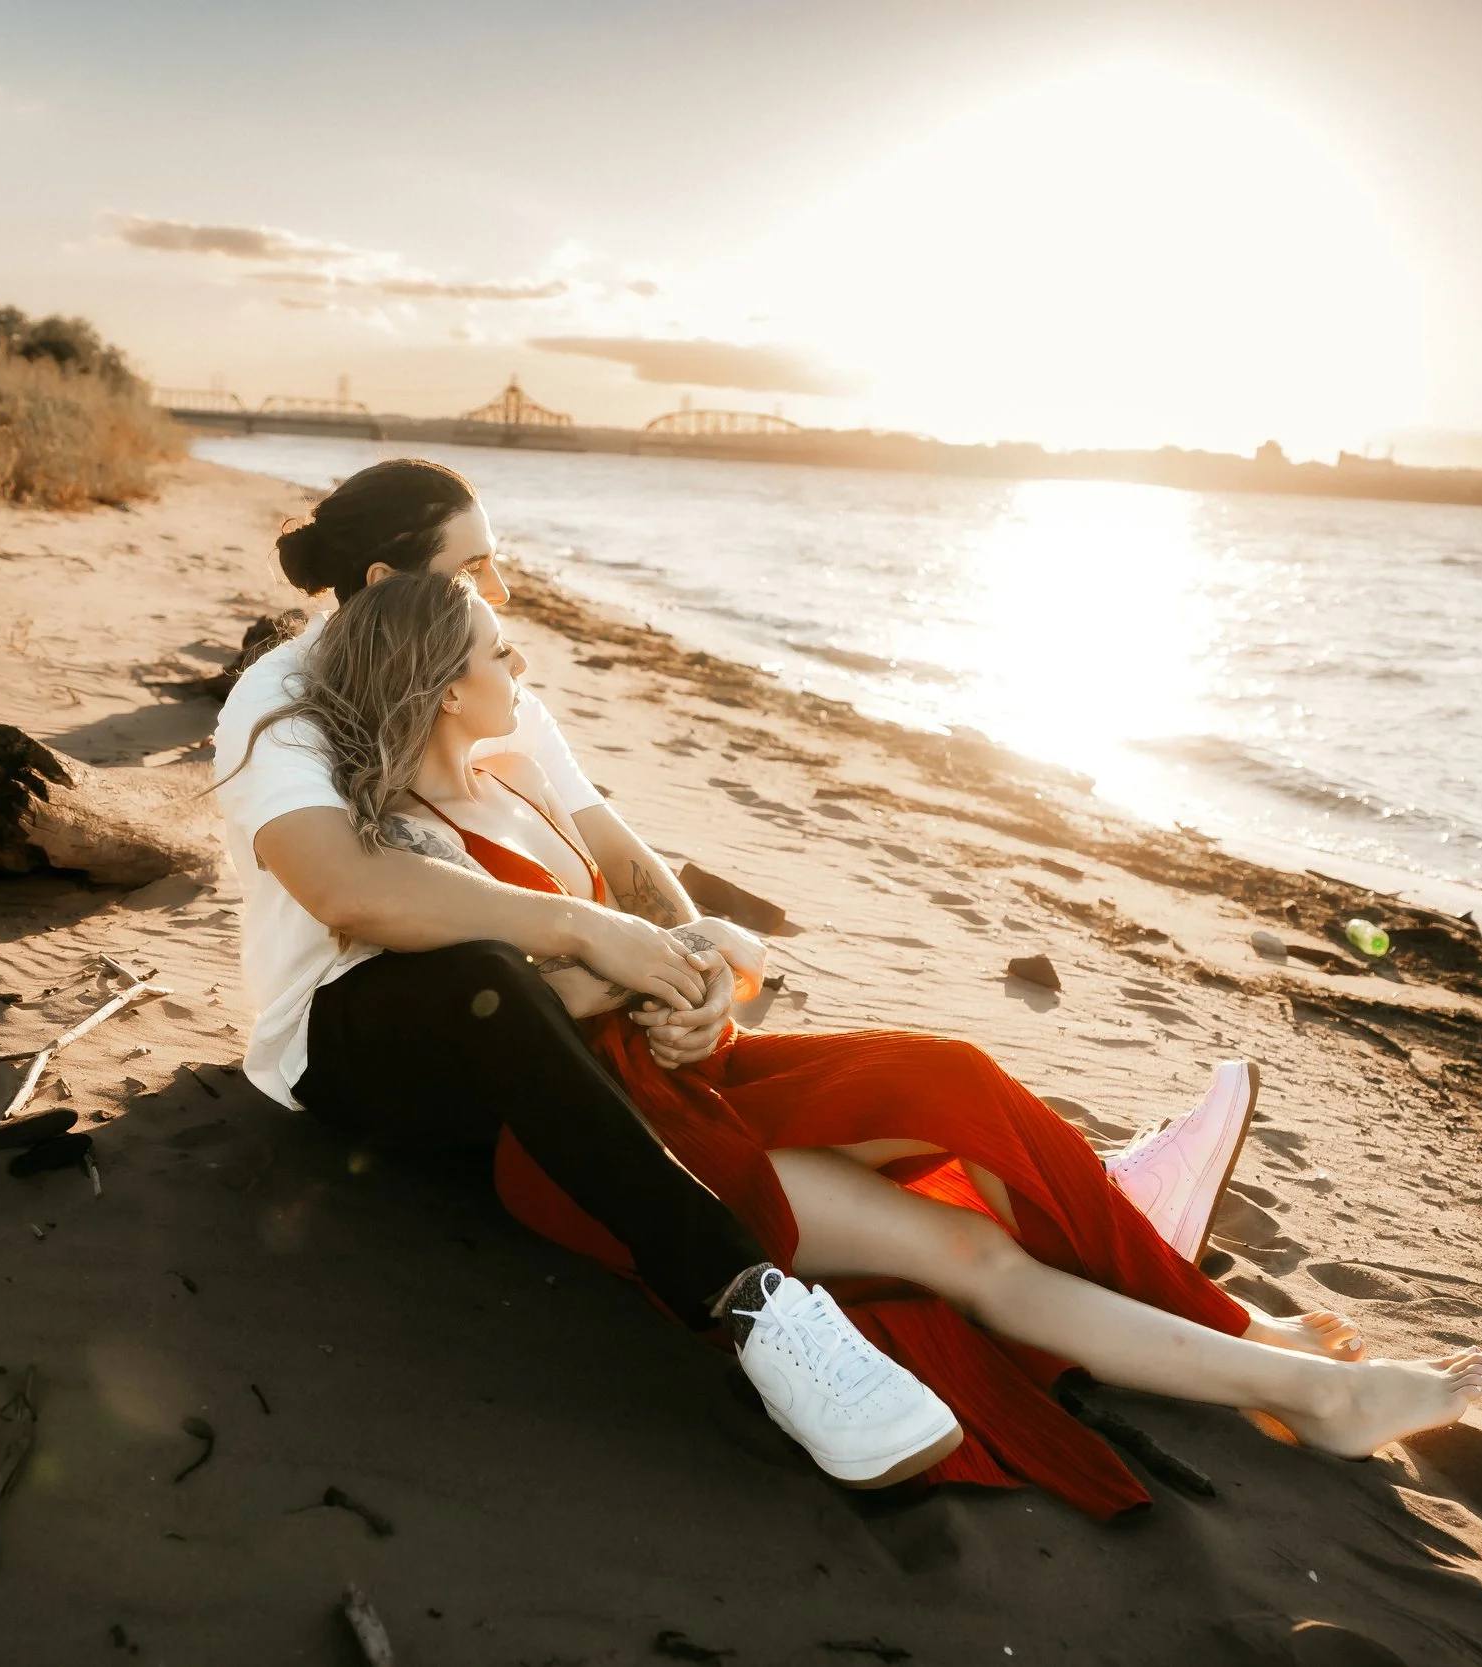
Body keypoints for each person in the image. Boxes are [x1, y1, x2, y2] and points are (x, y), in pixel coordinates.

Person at [235, 563, 1482, 1516]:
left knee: (949, 1081)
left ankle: (1182, 1289)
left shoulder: (506, 783)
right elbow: (513, 1010)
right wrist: (641, 978)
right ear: (454, 684)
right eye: (507, 653)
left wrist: (690, 970)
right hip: (612, 1131)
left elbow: (622, 940)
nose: (526, 670)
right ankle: (1298, 1384)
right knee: (960, 1246)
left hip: (686, 1068)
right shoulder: (407, 839)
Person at [210, 459, 962, 1487]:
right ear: (388, 580)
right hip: (357, 1051)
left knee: (748, 1059)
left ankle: (1054, 1198)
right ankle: (751, 1302)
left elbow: (622, 853)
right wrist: (580, 929)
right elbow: (349, 890)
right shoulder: (281, 698)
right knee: (486, 974)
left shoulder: (491, 677)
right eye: (477, 565)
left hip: (546, 1032)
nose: (504, 591)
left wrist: (689, 957)